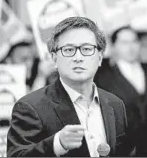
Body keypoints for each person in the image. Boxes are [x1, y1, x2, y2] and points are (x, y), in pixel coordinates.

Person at [7, 17, 131, 157]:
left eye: (86, 49)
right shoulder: (30, 107)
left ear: (100, 57)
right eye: (68, 50)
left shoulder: (115, 104)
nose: (78, 57)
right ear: (54, 58)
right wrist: (57, 144)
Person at [95, 26, 147, 156]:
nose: (130, 47)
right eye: (124, 42)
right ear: (113, 47)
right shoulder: (102, 78)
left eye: (134, 41)